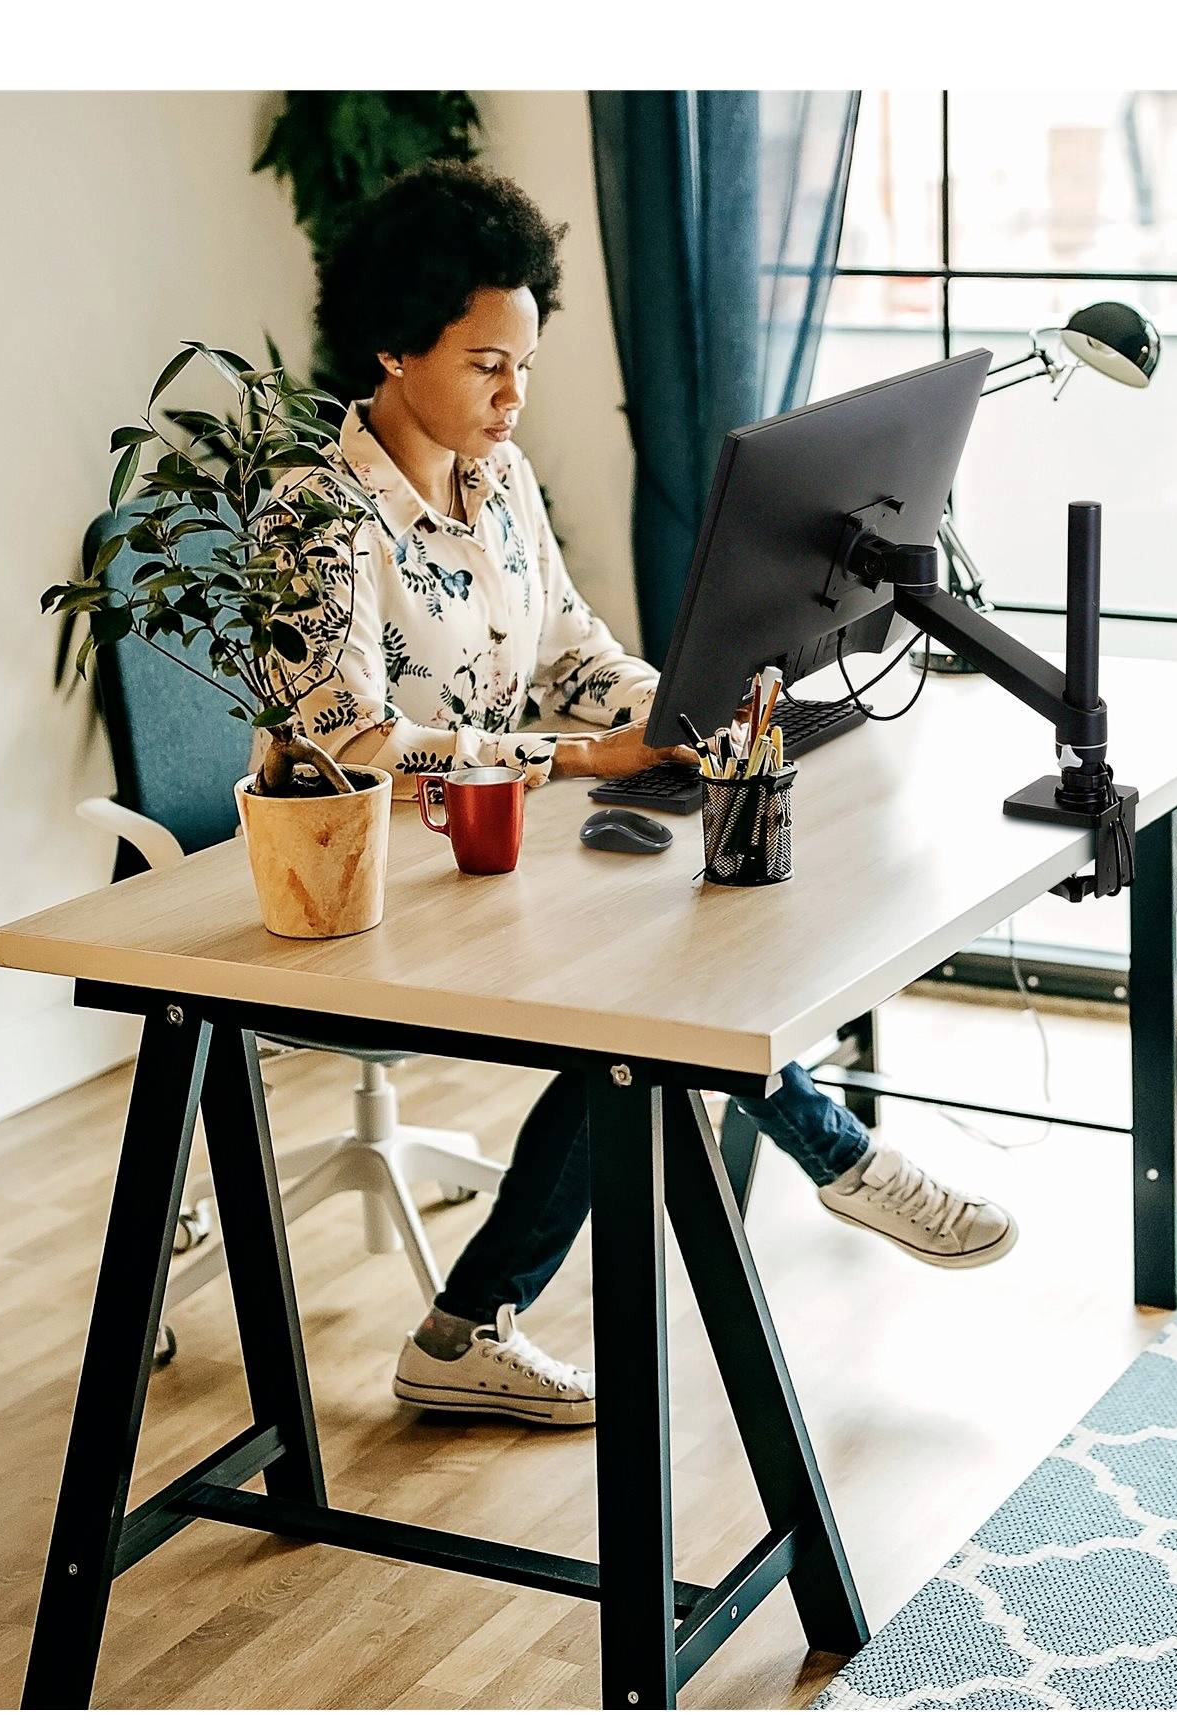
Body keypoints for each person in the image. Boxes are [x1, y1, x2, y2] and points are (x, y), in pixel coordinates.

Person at [269, 162, 1017, 1430]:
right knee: (644, 1029)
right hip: (378, 883)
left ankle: (468, 1325)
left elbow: (569, 654)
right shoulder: (314, 517)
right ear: (396, 349)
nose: (513, 396)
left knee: (683, 972)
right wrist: (571, 761)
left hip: (504, 859)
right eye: (485, 364)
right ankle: (841, 1159)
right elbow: (351, 745)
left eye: (526, 364)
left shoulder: (496, 483)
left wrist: (677, 708)